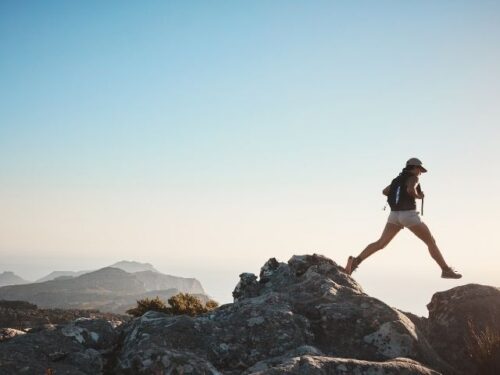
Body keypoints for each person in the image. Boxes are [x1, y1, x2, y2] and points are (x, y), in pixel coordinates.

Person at [344, 158, 462, 279]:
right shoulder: (414, 178)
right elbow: (411, 190)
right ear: (414, 168)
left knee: (380, 243)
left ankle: (356, 261)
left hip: (394, 215)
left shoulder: (397, 179)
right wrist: (419, 196)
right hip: (409, 215)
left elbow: (385, 191)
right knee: (430, 242)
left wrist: (398, 194)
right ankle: (446, 270)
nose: (420, 172)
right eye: (420, 169)